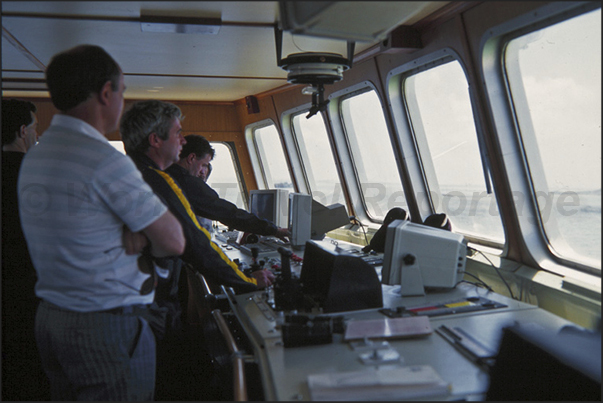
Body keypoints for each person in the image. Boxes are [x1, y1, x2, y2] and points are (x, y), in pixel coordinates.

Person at [17, 45, 185, 401]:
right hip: (105, 326)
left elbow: (79, 226)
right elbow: (173, 241)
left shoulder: (36, 156)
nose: (122, 101)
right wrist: (140, 233)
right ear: (107, 93)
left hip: (52, 319)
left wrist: (135, 231)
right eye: (122, 92)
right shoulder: (104, 159)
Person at [119, 99, 274, 400]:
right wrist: (246, 281)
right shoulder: (156, 180)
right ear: (155, 140)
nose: (183, 139)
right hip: (137, 308)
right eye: (178, 132)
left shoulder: (127, 172)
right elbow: (194, 242)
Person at [1, 98, 50, 400]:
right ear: (23, 131)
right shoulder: (39, 178)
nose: (37, 134)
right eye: (35, 128)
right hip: (32, 286)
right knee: (33, 370)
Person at [166, 134, 291, 240]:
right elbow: (228, 213)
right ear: (191, 158)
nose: (203, 171)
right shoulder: (187, 182)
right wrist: (274, 230)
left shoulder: (165, 174)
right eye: (203, 164)